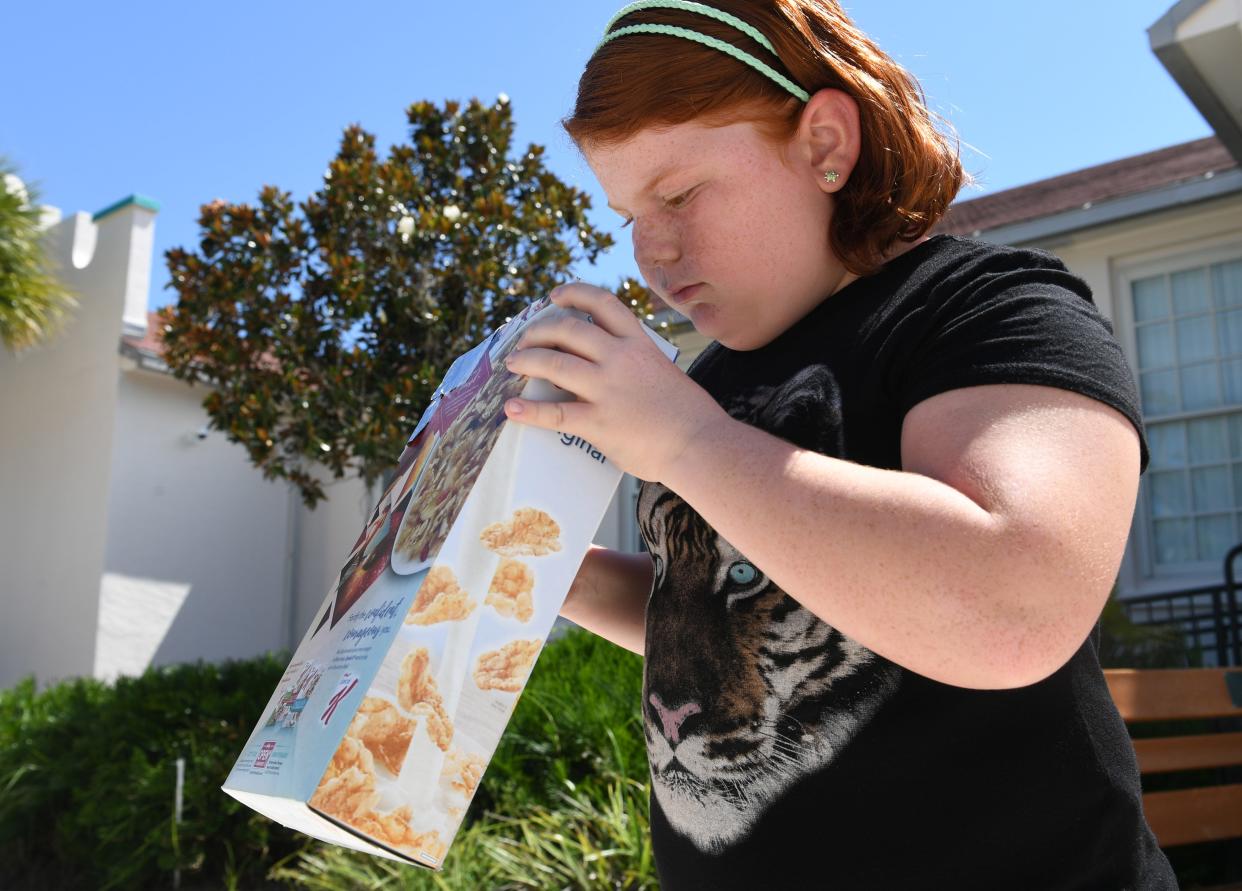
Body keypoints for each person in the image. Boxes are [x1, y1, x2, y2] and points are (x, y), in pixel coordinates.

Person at [502, 1, 1175, 888]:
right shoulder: (706, 390)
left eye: (678, 193)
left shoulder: (986, 308)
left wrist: (685, 441)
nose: (650, 254)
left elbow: (1021, 602)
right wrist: (546, 567)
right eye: (628, 213)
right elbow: (720, 605)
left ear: (824, 144)